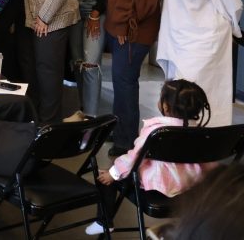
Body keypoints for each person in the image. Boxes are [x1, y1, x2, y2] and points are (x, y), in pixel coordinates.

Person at [85, 79, 213, 235]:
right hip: (189, 187)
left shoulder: (157, 131)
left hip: (159, 187)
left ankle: (104, 222)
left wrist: (113, 173)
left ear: (165, 106)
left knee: (106, 178)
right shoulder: (201, 132)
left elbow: (134, 158)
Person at [106, 0, 163, 155]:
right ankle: (121, 130)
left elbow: (145, 0)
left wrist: (122, 25)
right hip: (120, 27)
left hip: (132, 32)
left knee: (125, 82)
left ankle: (126, 140)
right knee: (121, 81)